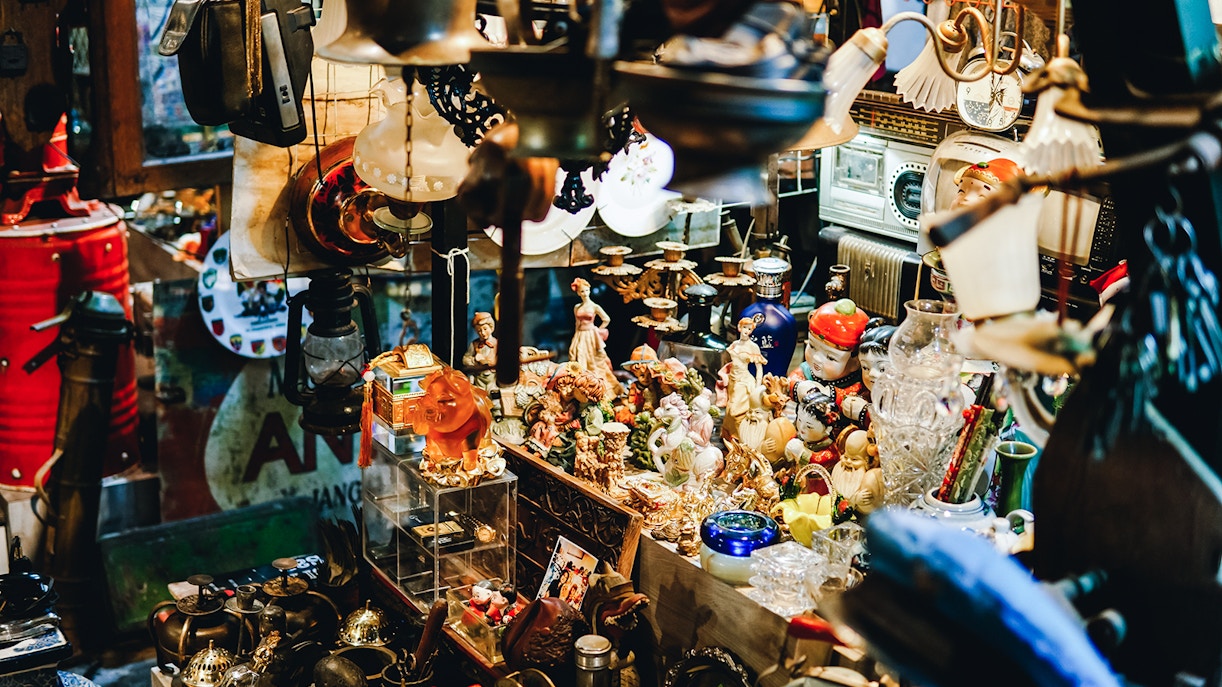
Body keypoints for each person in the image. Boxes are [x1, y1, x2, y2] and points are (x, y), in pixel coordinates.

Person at [789, 298, 871, 406]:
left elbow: (857, 401)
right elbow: (790, 380)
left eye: (831, 357)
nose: (817, 358)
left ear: (855, 362)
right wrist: (798, 387)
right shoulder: (806, 372)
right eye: (812, 346)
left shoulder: (858, 385)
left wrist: (830, 394)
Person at [569, 278, 623, 398]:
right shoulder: (577, 307)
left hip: (591, 335)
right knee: (581, 358)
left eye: (587, 290)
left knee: (596, 360)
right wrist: (575, 338)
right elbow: (577, 324)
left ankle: (601, 389)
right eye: (582, 291)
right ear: (578, 293)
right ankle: (583, 389)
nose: (585, 293)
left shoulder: (594, 306)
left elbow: (606, 319)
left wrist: (597, 330)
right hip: (581, 335)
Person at [722, 314, 767, 439]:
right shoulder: (735, 345)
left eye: (749, 329)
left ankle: (741, 438)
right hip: (733, 379)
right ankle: (730, 436)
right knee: (729, 408)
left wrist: (758, 386)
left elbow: (759, 367)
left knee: (736, 411)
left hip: (744, 381)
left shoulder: (753, 347)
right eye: (745, 327)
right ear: (739, 327)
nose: (747, 331)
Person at [830, 428, 883, 521]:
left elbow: (868, 507)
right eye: (846, 457)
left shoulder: (870, 478)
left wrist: (856, 501)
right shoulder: (838, 469)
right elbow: (835, 497)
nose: (848, 462)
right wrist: (854, 500)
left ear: (867, 462)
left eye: (855, 459)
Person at [462, 312, 498, 391]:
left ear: (491, 327)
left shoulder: (497, 344)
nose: (483, 333)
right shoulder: (474, 344)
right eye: (479, 331)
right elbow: (465, 359)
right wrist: (474, 360)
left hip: (493, 378)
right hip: (479, 378)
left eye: (485, 329)